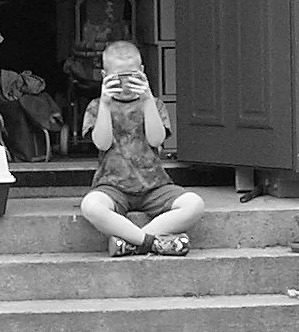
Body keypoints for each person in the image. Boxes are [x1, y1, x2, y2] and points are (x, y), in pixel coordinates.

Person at [79, 40, 206, 256]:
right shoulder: (96, 106)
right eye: (118, 78)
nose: (126, 84)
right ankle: (149, 242)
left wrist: (146, 98)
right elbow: (102, 143)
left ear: (142, 73)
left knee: (195, 204)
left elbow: (156, 140)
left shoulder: (154, 103)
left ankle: (131, 241)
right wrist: (106, 103)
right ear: (104, 76)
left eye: (132, 77)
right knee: (90, 206)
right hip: (112, 185)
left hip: (154, 185)